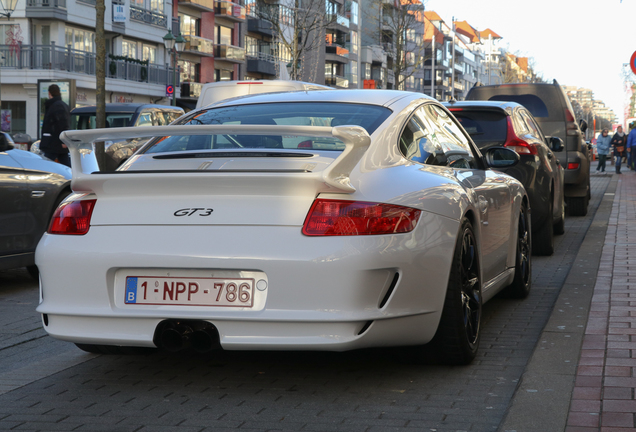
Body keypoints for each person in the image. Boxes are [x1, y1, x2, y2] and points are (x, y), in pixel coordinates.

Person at [39, 84, 71, 167]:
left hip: (53, 142)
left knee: (46, 164)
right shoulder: (61, 105)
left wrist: (63, 141)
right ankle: (72, 176)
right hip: (57, 142)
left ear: (49, 93)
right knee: (65, 163)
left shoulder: (55, 106)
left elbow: (62, 123)